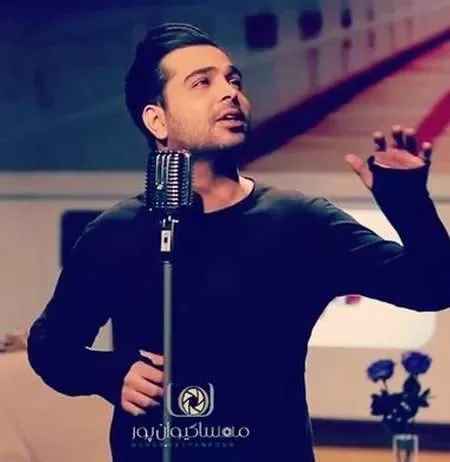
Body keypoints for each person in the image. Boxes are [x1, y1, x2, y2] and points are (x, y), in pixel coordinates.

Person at [27, 22, 450, 462]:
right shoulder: (116, 232)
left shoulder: (299, 221)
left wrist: (409, 205)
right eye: (202, 83)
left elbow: (432, 286)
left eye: (233, 80)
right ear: (157, 119)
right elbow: (50, 345)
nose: (229, 93)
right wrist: (108, 373)